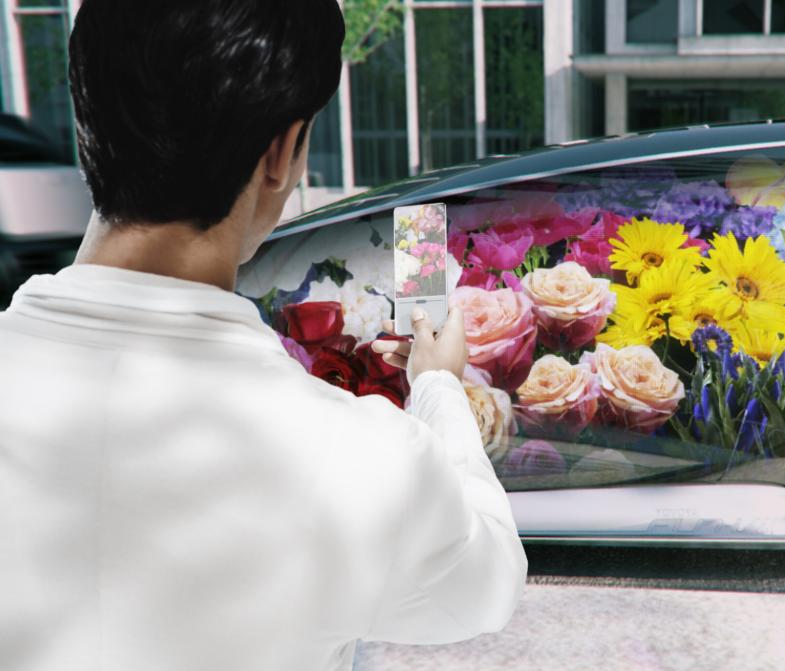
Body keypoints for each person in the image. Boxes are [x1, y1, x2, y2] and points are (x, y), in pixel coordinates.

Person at [0, 1, 527, 670]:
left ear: (88, 119)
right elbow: (487, 580)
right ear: (280, 153)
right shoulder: (358, 461)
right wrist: (439, 387)